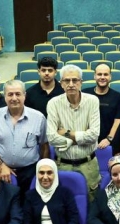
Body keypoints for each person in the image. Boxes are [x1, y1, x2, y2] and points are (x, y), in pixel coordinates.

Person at [0, 79, 49, 196]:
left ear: (24, 96)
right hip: (2, 172)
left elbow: (44, 146)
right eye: (10, 94)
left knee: (28, 203)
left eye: (18, 94)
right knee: (5, 204)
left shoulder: (38, 118)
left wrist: (41, 169)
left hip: (30, 172)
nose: (14, 98)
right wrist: (1, 164)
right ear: (5, 96)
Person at [46, 64, 102, 199]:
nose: (71, 84)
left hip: (88, 165)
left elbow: (94, 135)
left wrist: (66, 133)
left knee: (92, 202)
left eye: (75, 80)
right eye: (67, 80)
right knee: (64, 203)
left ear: (81, 82)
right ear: (61, 83)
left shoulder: (93, 101)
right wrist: (80, 138)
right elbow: (51, 138)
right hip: (63, 165)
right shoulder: (53, 103)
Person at [83, 63, 120, 149]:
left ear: (110, 77)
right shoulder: (84, 94)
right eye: (99, 74)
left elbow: (118, 121)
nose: (102, 77)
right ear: (94, 76)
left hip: (108, 143)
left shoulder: (118, 97)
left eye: (105, 74)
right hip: (86, 142)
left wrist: (109, 139)